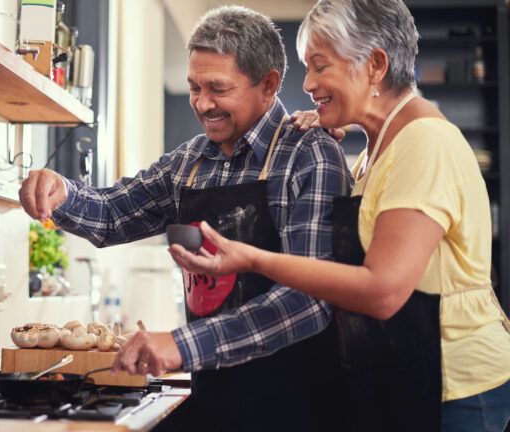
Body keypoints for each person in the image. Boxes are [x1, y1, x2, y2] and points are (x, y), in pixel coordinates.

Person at [169, 1, 510, 431]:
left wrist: (252, 258)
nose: (308, 83)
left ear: (375, 65)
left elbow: (383, 290)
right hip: (403, 378)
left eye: (319, 66)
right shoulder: (374, 148)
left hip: (456, 390)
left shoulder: (424, 143)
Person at [19, 6, 351, 431]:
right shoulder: (191, 162)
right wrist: (62, 191)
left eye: (217, 88)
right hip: (213, 395)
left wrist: (181, 344)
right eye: (194, 87)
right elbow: (112, 213)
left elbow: (308, 299)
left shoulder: (310, 155)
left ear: (268, 84)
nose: (202, 103)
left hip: (295, 404)